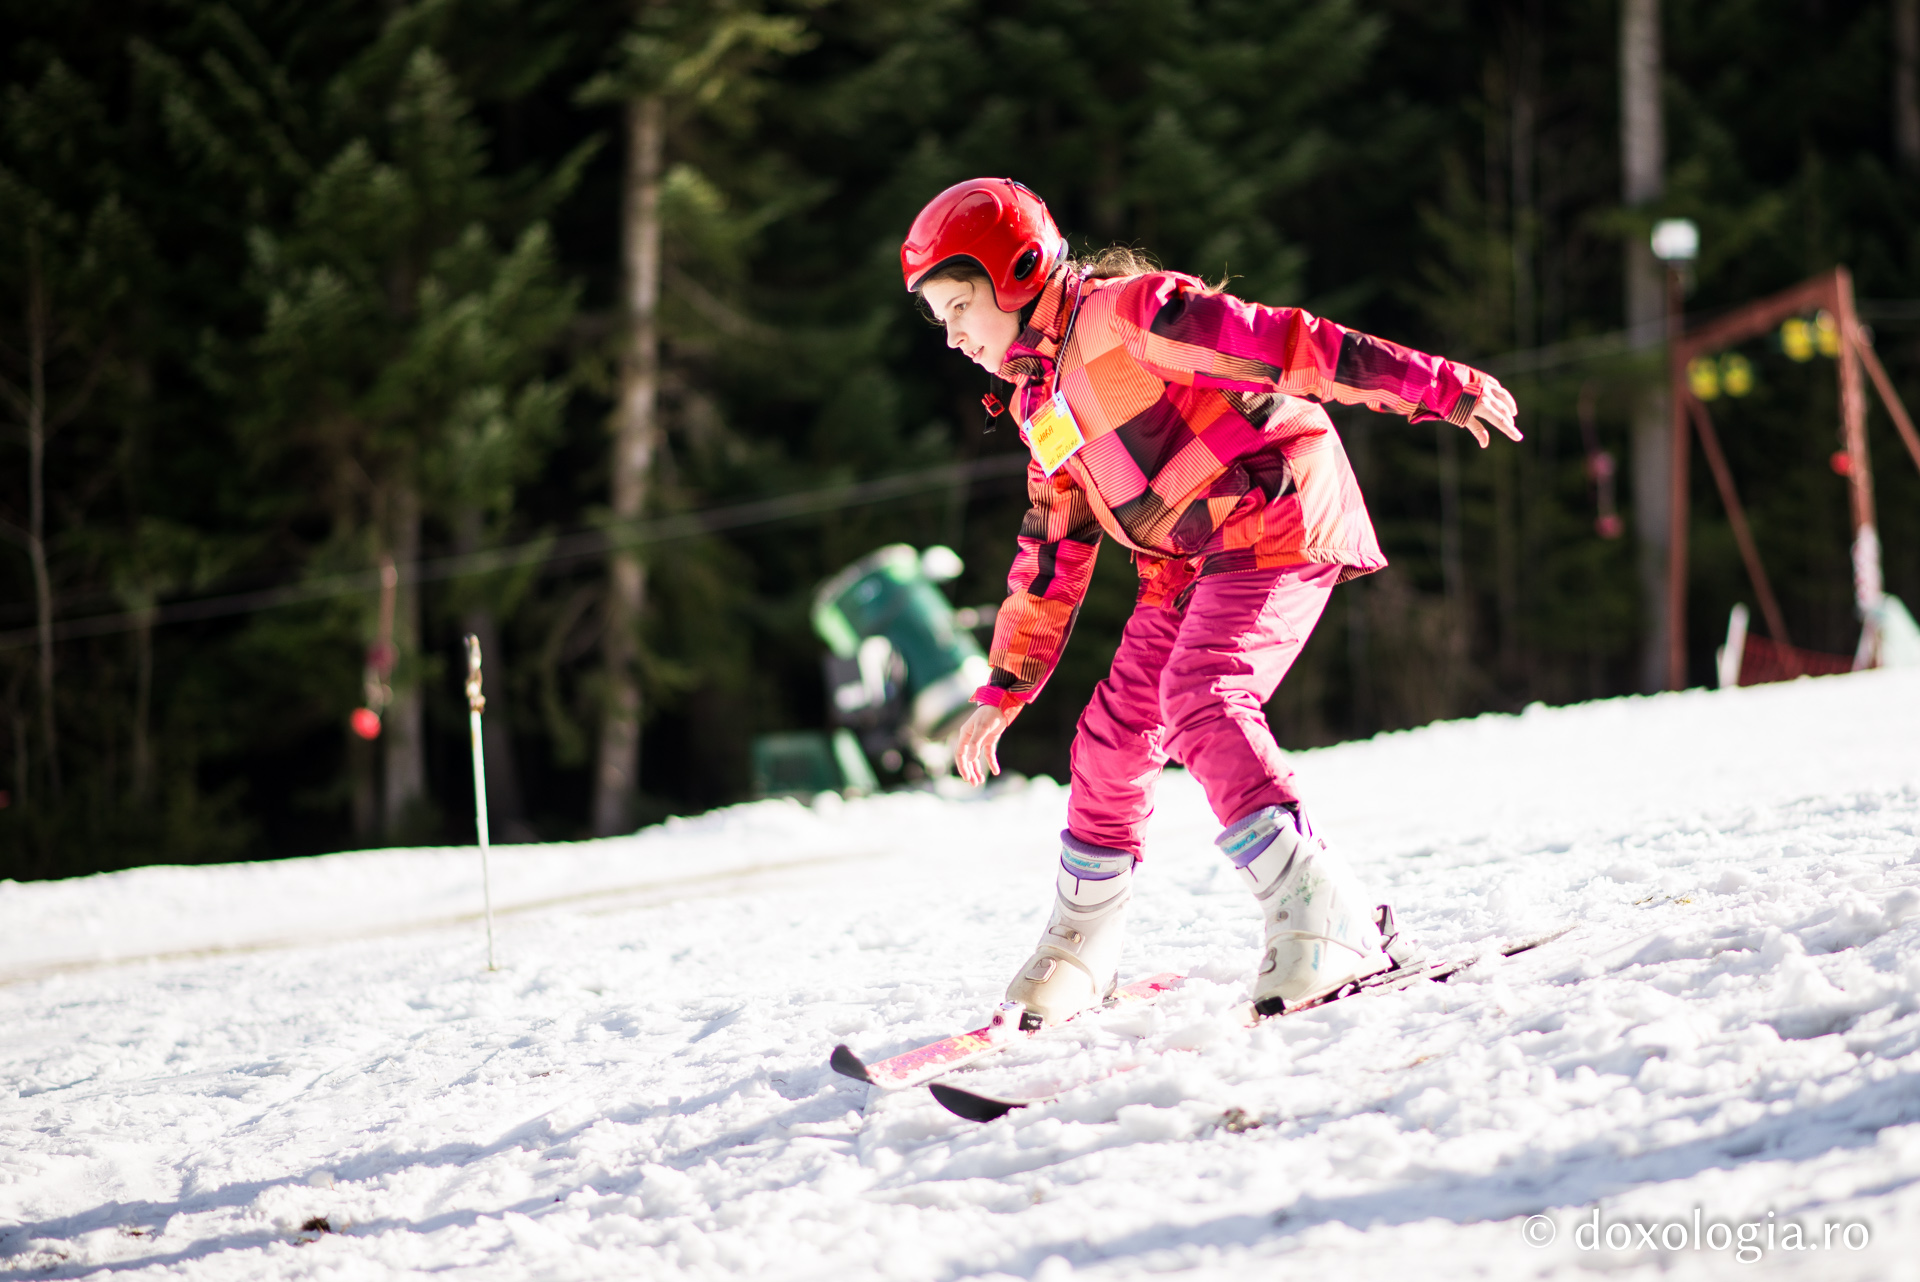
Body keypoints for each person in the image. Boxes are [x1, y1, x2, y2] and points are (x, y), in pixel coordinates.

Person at [902, 178, 1520, 1026]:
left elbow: (1289, 345)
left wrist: (1436, 385)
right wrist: (1007, 685)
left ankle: (1320, 910)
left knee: (1203, 695)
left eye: (960, 306)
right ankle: (1082, 941)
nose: (953, 334)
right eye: (939, 317)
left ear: (1016, 272)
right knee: (1112, 738)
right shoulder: (1035, 397)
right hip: (1186, 560)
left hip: (1273, 513)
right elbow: (1052, 548)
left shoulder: (1130, 315)